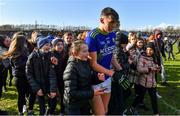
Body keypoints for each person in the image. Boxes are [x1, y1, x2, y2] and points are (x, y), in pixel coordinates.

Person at [85, 7, 129, 115]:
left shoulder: (113, 34)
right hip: (95, 79)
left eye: (115, 23)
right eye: (111, 22)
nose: (113, 26)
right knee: (99, 113)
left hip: (107, 78)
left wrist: (120, 70)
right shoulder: (92, 36)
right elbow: (93, 64)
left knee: (105, 110)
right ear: (102, 20)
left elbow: (111, 56)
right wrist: (113, 73)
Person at [63, 40, 104, 115]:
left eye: (87, 50)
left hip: (84, 102)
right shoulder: (71, 69)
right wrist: (92, 93)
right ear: (75, 53)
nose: (88, 53)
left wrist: (98, 79)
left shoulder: (85, 62)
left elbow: (87, 80)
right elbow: (71, 93)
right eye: (84, 51)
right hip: (73, 106)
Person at [2, 32, 36, 115]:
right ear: (20, 42)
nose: (26, 43)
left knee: (32, 93)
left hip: (29, 76)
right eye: (24, 41)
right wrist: (30, 58)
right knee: (21, 95)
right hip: (20, 77)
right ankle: (20, 112)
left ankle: (30, 110)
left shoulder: (27, 50)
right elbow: (19, 65)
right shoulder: (14, 52)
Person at [26, 36, 57, 115]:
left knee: (52, 105)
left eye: (49, 45)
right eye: (46, 45)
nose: (48, 47)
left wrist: (52, 89)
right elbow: (29, 74)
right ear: (40, 46)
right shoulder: (32, 57)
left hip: (48, 86)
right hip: (38, 86)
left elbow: (52, 74)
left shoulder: (51, 56)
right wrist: (37, 88)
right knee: (41, 108)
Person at [131, 42, 159, 115]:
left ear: (154, 50)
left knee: (154, 98)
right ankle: (133, 108)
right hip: (143, 83)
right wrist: (150, 69)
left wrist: (157, 69)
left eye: (151, 50)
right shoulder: (142, 57)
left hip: (152, 82)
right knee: (140, 97)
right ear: (145, 49)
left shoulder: (154, 58)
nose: (149, 51)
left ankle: (156, 113)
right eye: (148, 49)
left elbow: (155, 68)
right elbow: (139, 69)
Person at [51, 38, 66, 115]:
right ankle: (51, 110)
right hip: (53, 78)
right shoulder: (51, 54)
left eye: (61, 44)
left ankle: (62, 111)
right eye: (58, 45)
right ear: (54, 46)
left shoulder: (65, 54)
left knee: (63, 94)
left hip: (62, 78)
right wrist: (55, 64)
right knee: (53, 95)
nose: (60, 46)